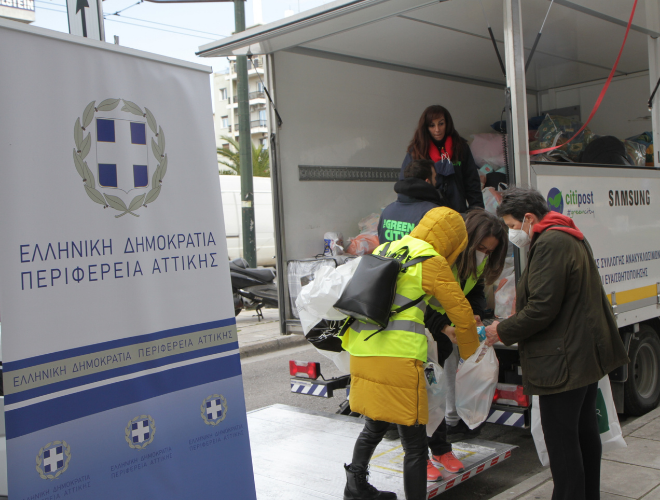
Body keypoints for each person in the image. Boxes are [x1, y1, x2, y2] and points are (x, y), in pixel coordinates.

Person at [484, 187, 628, 500]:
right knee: (584, 434)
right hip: (581, 356)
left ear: (529, 218)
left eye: (512, 226)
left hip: (563, 362)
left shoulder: (550, 243)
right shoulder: (569, 234)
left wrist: (502, 330)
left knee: (562, 444)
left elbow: (542, 308)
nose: (512, 233)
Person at [341, 207, 479, 500]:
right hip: (399, 358)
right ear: (454, 242)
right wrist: (471, 353)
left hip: (363, 349)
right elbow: (462, 314)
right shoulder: (431, 261)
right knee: (415, 445)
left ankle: (355, 488)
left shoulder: (387, 247)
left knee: (374, 424)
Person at [424, 209, 508, 480]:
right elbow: (417, 300)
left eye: (489, 251)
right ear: (467, 240)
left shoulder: (475, 261)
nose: (484, 254)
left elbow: (474, 289)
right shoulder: (437, 258)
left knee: (437, 393)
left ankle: (440, 449)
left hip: (442, 334)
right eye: (481, 248)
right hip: (419, 331)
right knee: (420, 396)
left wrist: (476, 315)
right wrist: (443, 326)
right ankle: (417, 455)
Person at [399, 105, 484, 213]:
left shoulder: (460, 147)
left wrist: (477, 212)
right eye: (432, 125)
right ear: (426, 127)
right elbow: (406, 184)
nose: (437, 129)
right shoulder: (417, 151)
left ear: (447, 124)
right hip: (427, 213)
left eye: (441, 124)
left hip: (457, 211)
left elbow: (472, 183)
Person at [378, 159, 440, 244]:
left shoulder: (387, 211)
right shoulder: (433, 212)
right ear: (427, 181)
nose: (436, 181)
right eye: (435, 177)